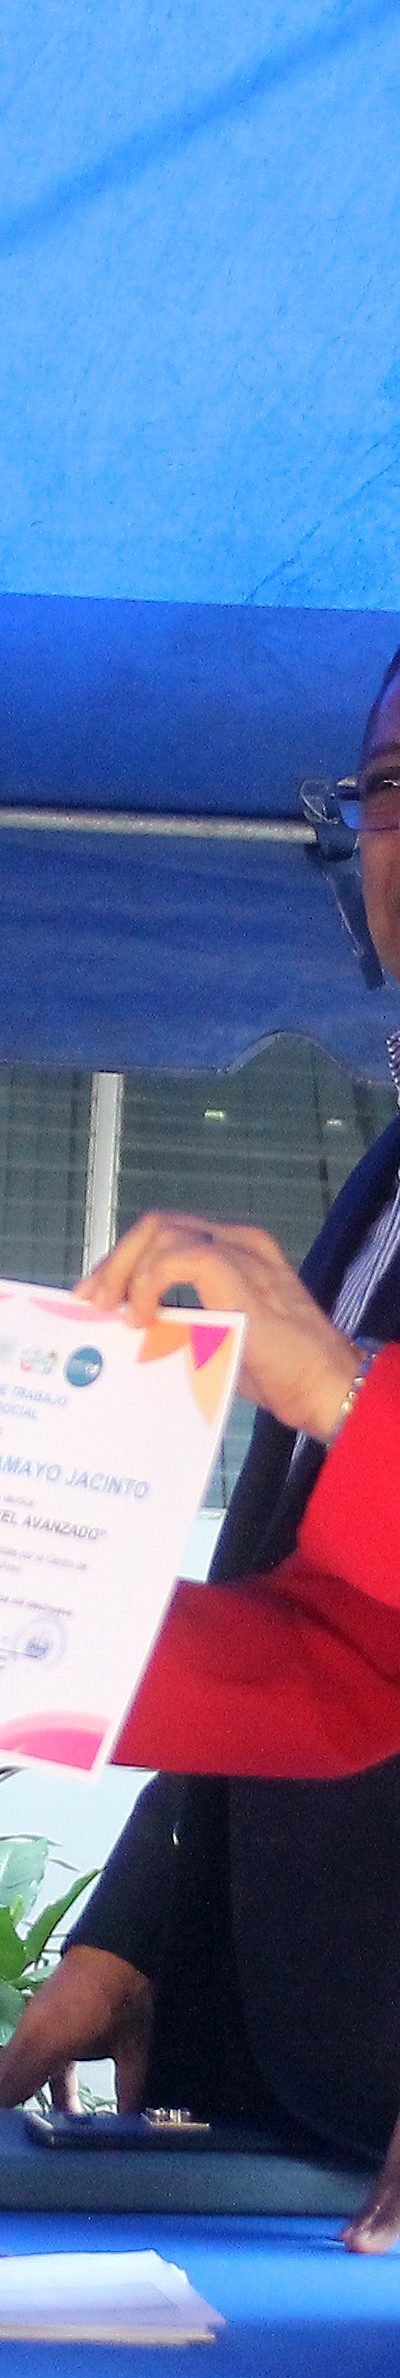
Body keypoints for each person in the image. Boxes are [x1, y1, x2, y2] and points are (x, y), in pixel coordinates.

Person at [2, 647, 400, 2253]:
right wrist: (38, 1626)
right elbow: (347, 1642)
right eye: (392, 786)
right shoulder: (386, 1178)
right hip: (293, 2104)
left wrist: (348, 1400)